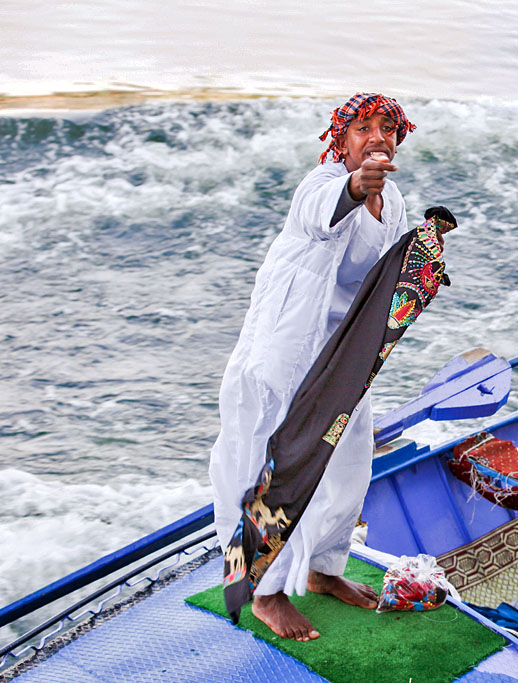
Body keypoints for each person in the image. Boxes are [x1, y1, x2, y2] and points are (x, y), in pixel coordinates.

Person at [209, 93, 419, 642]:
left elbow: (382, 275)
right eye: (364, 128)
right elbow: (322, 216)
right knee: (264, 470)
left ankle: (325, 569)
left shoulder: (392, 199)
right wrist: (355, 187)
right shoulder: (322, 183)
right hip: (284, 353)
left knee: (349, 465)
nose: (378, 137)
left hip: (342, 357)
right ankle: (258, 590)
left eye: (388, 128)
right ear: (341, 139)